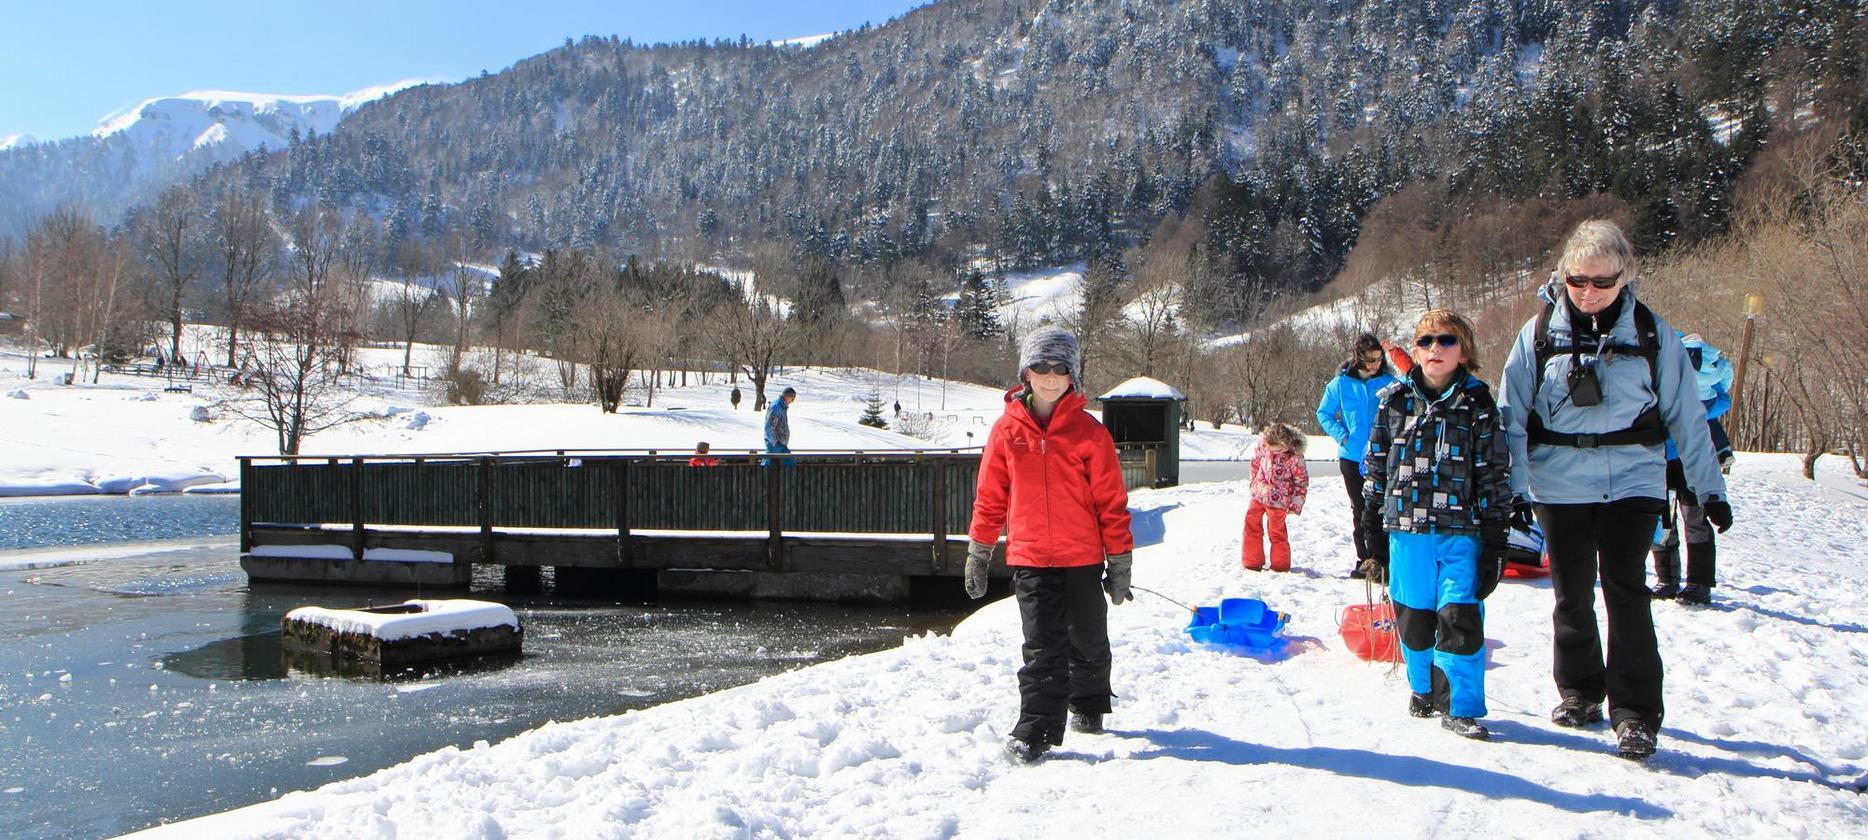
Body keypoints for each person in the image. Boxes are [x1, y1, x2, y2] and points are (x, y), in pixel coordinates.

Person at [1499, 220, 1732, 761]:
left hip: (1633, 480)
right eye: (1578, 280)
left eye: (1602, 282)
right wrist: (1513, 489)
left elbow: (1686, 417)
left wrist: (1708, 489)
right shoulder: (1537, 336)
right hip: (1558, 483)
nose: (1588, 292)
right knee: (1571, 593)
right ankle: (1579, 691)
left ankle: (1635, 713)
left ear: (1625, 277)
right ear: (1563, 276)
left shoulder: (1653, 334)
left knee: (1626, 591)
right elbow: (1512, 414)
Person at [965, 326, 1133, 764]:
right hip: (1031, 558)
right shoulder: (1006, 431)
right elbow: (990, 496)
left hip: (1082, 556)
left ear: (1073, 375)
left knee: (1089, 637)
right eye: (1041, 366)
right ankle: (1035, 729)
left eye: (1060, 367)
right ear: (1026, 372)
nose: (1050, 375)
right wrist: (979, 552)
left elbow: (1111, 503)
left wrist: (1119, 563)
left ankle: (1090, 702)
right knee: (1042, 645)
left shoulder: (1090, 433)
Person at [1359, 309, 1510, 740]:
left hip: (1461, 531)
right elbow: (1375, 466)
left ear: (1464, 351)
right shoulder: (1394, 400)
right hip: (1405, 529)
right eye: (1425, 342)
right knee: (1414, 616)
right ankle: (1423, 689)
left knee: (1459, 615)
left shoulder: (1478, 402)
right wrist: (1372, 525)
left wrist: (1497, 535)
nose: (1434, 349)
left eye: (1446, 341)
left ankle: (1459, 705)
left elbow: (1495, 470)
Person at [1650, 332, 1735, 604]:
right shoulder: (1691, 386)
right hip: (1665, 459)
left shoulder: (1671, 381)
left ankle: (1691, 583)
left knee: (1683, 521)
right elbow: (1723, 401)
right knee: (1666, 521)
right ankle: (1673, 580)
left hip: (1684, 459)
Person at [1316, 333, 1400, 577]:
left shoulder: (1388, 381)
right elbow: (1324, 414)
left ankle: (1384, 559)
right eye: (1369, 360)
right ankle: (1365, 560)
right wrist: (1342, 435)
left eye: (1378, 358)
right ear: (1358, 358)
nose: (1375, 364)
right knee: (1360, 508)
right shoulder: (1339, 384)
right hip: (1352, 457)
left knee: (1383, 507)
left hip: (1383, 455)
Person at [1243, 422, 1308, 572]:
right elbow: (1255, 463)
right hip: (1260, 492)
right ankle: (1252, 562)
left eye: (1276, 450)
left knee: (1276, 530)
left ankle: (1280, 566)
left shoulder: (1295, 456)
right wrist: (1253, 482)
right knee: (1251, 522)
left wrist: (1296, 504)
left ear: (1285, 446)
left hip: (1280, 498)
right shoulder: (1263, 444)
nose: (1272, 452)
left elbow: (1301, 482)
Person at [763, 387, 796, 466]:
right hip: (776, 444)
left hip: (778, 443)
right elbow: (769, 426)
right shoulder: (776, 407)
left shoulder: (781, 406)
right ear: (787, 396)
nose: (793, 401)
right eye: (792, 398)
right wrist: (774, 443)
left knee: (770, 463)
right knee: (790, 463)